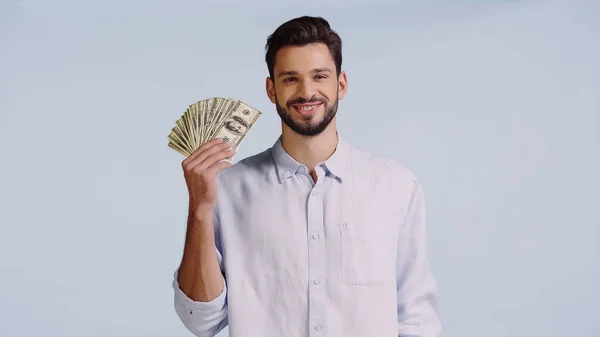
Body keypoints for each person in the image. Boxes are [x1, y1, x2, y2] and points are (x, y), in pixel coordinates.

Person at [172, 15, 441, 337]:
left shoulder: (395, 185)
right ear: (271, 89)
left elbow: (416, 316)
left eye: (319, 76)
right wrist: (199, 208)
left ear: (340, 84)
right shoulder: (227, 189)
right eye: (290, 79)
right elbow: (200, 321)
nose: (306, 91)